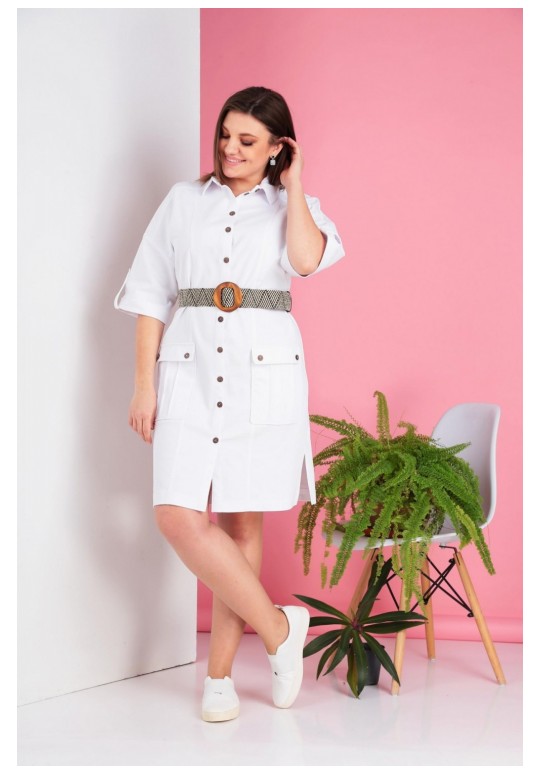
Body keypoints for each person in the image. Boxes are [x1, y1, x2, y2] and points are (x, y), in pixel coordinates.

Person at [114, 86, 345, 722]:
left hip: (261, 373)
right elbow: (149, 294)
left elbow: (305, 261)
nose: (230, 149)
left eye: (248, 140)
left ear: (277, 148)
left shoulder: (295, 206)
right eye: (225, 135)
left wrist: (294, 184)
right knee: (176, 514)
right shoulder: (183, 201)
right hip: (188, 370)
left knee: (242, 525)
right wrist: (143, 385)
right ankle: (279, 631)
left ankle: (218, 680)